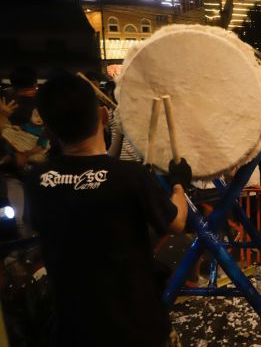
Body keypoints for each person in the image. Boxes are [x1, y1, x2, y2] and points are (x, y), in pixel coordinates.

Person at [24, 72, 191, 347]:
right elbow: (176, 223)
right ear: (103, 116)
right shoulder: (129, 176)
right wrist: (179, 185)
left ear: (48, 129)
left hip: (75, 328)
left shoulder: (36, 180)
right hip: (137, 326)